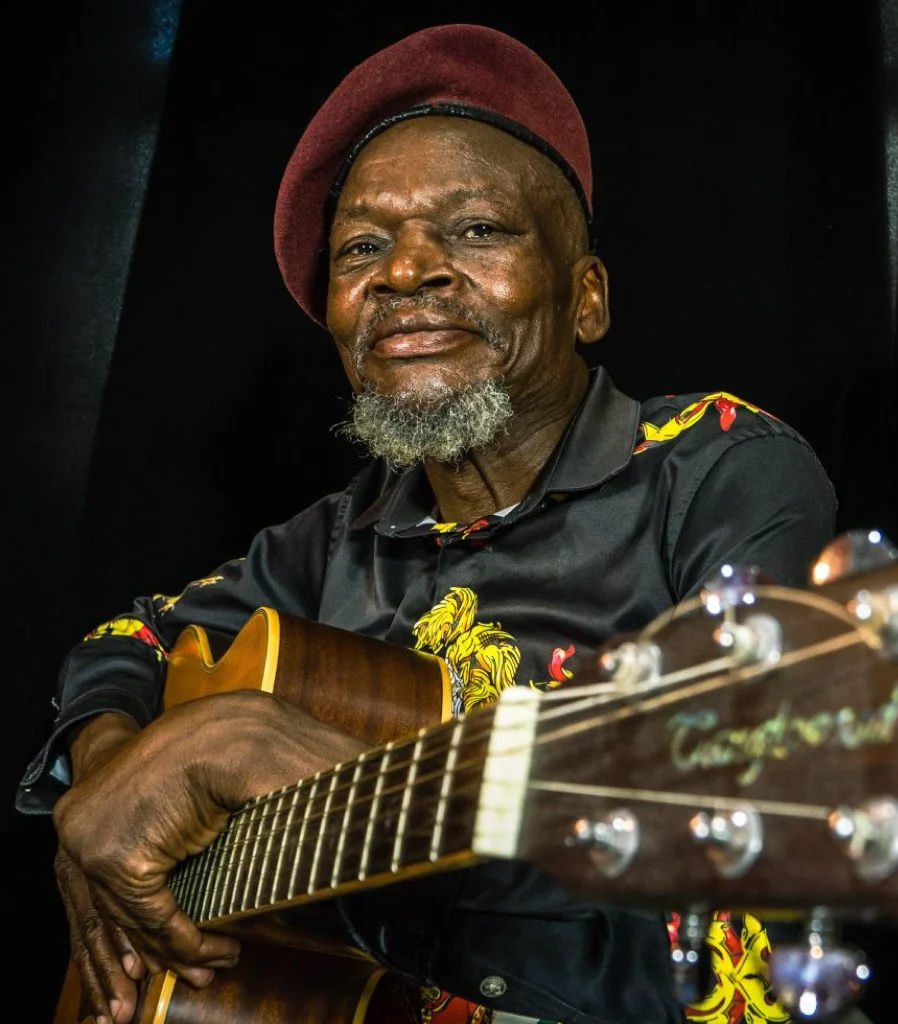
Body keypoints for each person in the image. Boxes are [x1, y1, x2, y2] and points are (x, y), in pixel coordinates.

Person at [17, 23, 842, 1024]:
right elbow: (130, 638)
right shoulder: (327, 543)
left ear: (585, 298)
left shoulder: (717, 467)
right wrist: (111, 781)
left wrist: (283, 763)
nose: (405, 271)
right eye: (363, 246)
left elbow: (752, 832)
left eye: (477, 229)